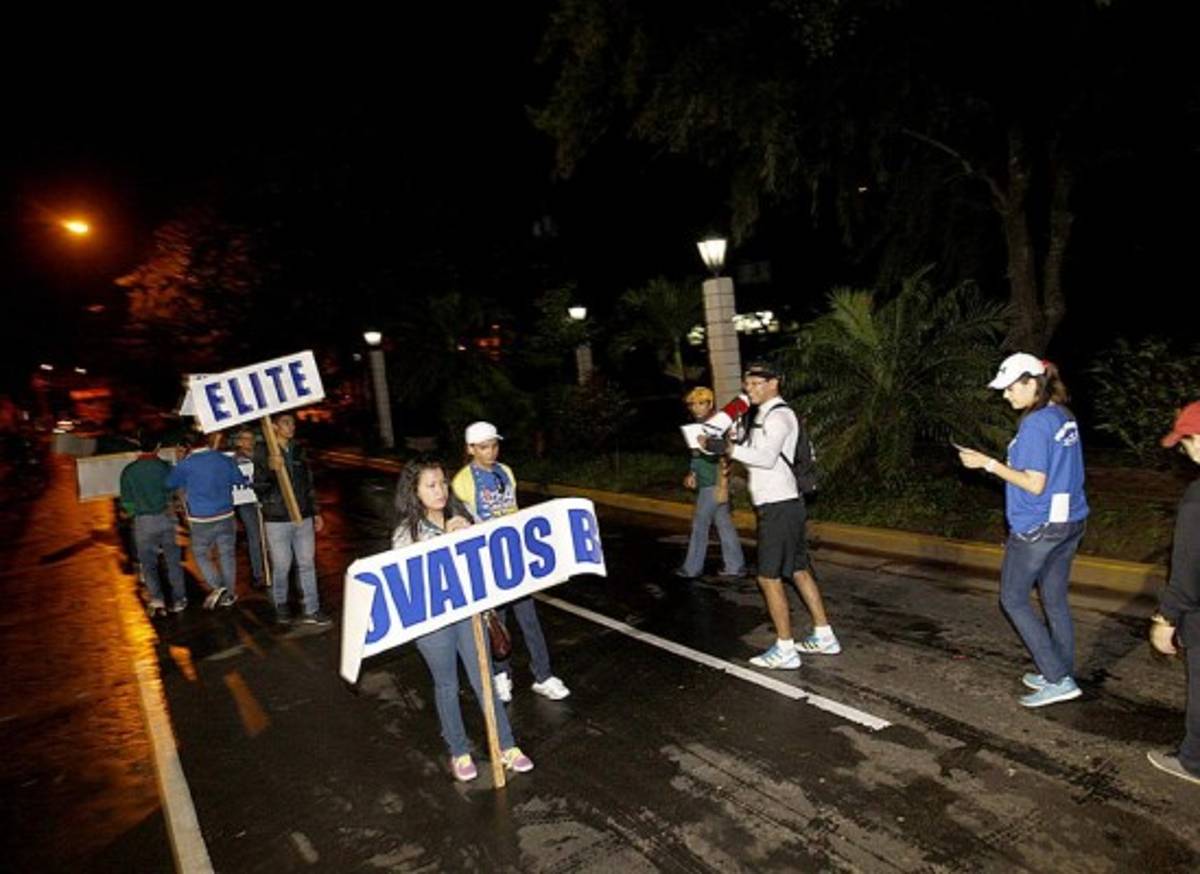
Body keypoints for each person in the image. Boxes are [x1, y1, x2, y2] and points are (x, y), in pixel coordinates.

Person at [957, 352, 1089, 708]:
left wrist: (988, 464)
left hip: (1038, 527)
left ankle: (1056, 678)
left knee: (1013, 599)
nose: (1005, 395)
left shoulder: (1034, 425)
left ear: (1032, 382)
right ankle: (1059, 668)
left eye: (1010, 388)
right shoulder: (1062, 416)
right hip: (1069, 521)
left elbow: (1033, 483)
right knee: (1054, 599)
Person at [394, 455, 535, 782]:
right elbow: (412, 576)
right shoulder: (406, 532)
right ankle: (459, 751)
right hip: (434, 623)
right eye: (430, 485)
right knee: (447, 684)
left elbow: (488, 553)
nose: (440, 490)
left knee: (483, 678)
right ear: (414, 492)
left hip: (469, 615)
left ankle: (507, 745)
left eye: (442, 482)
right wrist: (445, 538)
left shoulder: (461, 514)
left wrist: (471, 531)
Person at [702, 362, 840, 669]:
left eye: (755, 384)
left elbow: (764, 458)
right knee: (799, 570)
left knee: (768, 577)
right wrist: (724, 443)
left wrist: (728, 449)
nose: (748, 389)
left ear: (774, 383)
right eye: (746, 384)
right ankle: (824, 635)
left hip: (779, 506)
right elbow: (750, 452)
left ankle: (785, 649)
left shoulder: (779, 415)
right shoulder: (760, 415)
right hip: (782, 504)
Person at [451, 421, 570, 702]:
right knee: (497, 622)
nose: (490, 452)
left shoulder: (506, 472)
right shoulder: (462, 482)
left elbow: (513, 510)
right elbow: (461, 522)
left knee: (529, 618)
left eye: (493, 445)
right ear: (470, 449)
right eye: (483, 447)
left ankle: (543, 675)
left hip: (515, 558)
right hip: (488, 560)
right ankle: (501, 675)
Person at [1146, 400, 1200, 785]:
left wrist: (1166, 619)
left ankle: (1193, 760)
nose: (1185, 449)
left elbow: (1188, 568)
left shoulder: (1198, 497)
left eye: (1187, 440)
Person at [253, 413, 332, 625]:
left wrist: (315, 511)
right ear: (275, 427)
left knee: (307, 564)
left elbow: (308, 484)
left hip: (302, 517)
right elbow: (259, 489)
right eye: (286, 423)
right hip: (277, 519)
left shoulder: (298, 450)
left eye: (293, 423)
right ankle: (281, 604)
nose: (291, 427)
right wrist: (270, 470)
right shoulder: (263, 451)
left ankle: (312, 609)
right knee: (282, 565)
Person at [167, 431, 248, 609]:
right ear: (206, 441)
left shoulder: (186, 465)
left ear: (188, 446)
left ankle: (217, 585)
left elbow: (170, 483)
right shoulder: (225, 460)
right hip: (226, 515)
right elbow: (240, 480)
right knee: (227, 555)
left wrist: (179, 462)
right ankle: (230, 594)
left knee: (202, 554)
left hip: (201, 519)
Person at [677, 387, 745, 580]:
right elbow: (697, 454)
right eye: (692, 404)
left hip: (714, 482)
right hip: (706, 480)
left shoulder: (717, 426)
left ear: (710, 404)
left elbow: (726, 457)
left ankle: (691, 568)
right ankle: (735, 566)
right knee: (724, 524)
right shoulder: (697, 426)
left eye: (701, 403)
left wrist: (723, 485)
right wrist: (692, 473)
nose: (696, 408)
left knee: (700, 524)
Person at [119, 433, 186, 615]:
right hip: (165, 518)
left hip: (143, 523)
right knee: (173, 560)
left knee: (148, 563)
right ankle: (179, 598)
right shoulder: (165, 467)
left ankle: (157, 600)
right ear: (158, 447)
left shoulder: (129, 471)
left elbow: (127, 503)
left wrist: (132, 513)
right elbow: (176, 490)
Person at [229, 426, 268, 589]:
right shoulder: (233, 460)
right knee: (254, 536)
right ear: (238, 442)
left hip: (266, 500)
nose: (248, 442)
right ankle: (258, 574)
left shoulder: (263, 455)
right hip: (246, 503)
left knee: (271, 536)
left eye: (251, 438)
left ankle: (272, 568)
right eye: (244, 439)